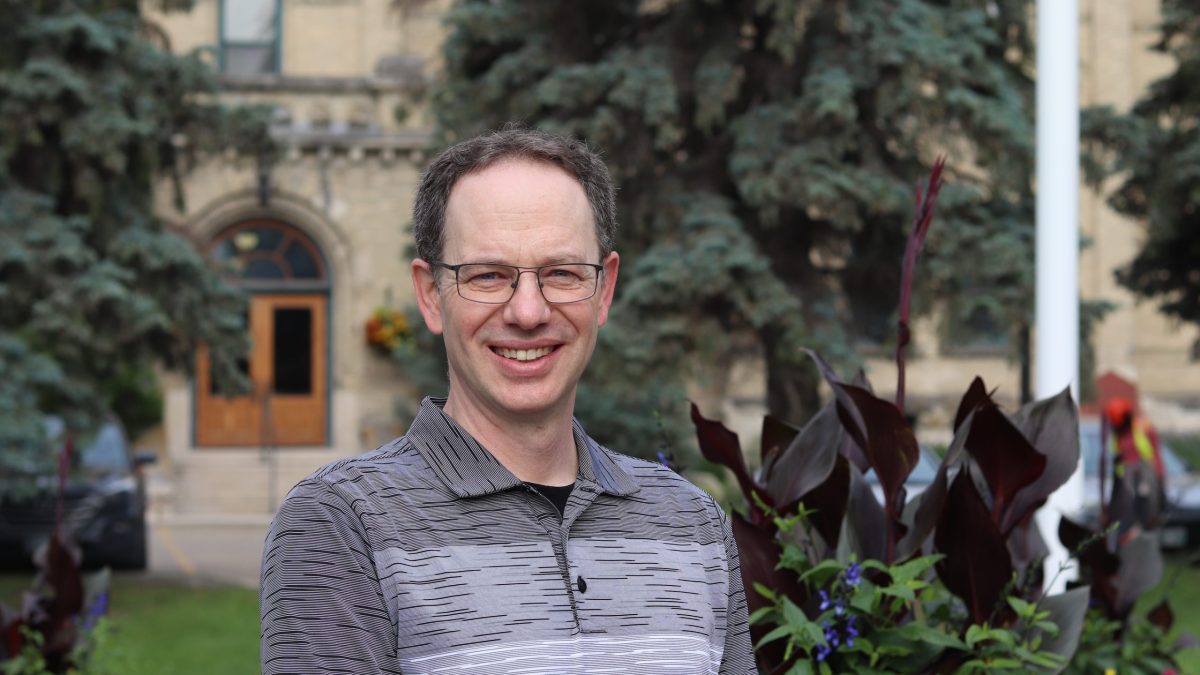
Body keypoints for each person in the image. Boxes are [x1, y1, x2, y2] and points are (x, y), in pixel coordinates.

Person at [259, 127, 756, 674]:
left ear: (604, 290)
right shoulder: (343, 524)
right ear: (430, 296)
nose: (527, 312)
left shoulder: (692, 524)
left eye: (561, 273)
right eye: (489, 275)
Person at [1105, 397, 1165, 532]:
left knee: (1145, 506)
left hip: (1143, 477)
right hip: (1126, 484)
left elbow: (1152, 454)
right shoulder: (1117, 435)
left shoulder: (1141, 429)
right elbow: (1117, 461)